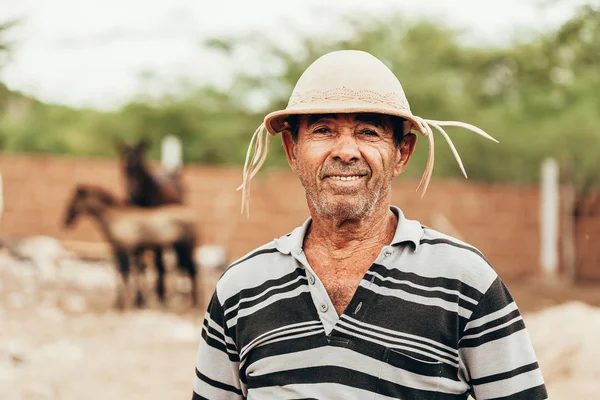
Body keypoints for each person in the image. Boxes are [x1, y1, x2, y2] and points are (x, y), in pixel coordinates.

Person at [191, 50, 548, 399]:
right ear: (292, 150)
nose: (345, 151)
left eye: (367, 132)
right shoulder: (240, 289)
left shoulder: (465, 282)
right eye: (323, 130)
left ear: (402, 153)